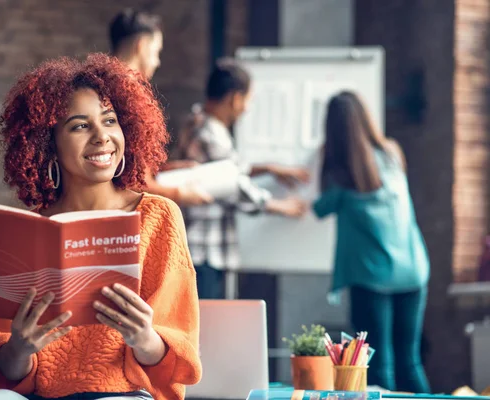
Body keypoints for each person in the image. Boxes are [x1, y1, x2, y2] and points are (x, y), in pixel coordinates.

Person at [0, 54, 201, 400]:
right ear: (48, 143)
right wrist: (19, 348)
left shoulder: (158, 216)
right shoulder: (27, 230)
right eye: (79, 125)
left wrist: (143, 337)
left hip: (124, 395)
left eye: (110, 120)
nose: (102, 137)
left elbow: (174, 362)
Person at [312, 91, 430, 393]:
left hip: (371, 277)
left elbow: (318, 208)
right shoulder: (392, 154)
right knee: (410, 361)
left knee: (379, 364)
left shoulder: (342, 176)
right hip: (413, 270)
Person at [176, 58, 310, 299]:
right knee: (205, 328)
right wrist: (279, 206)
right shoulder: (209, 132)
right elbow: (232, 184)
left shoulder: (201, 124)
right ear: (235, 98)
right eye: (248, 100)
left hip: (206, 250)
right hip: (204, 250)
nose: (247, 108)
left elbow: (228, 168)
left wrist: (270, 169)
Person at [108, 8, 212, 207]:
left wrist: (165, 170)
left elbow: (124, 167)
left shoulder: (96, 85)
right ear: (142, 45)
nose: (157, 62)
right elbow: (134, 184)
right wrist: (179, 194)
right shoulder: (128, 93)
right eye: (156, 52)